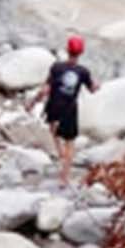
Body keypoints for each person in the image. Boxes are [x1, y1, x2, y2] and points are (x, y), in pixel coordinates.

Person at [35, 35, 97, 186]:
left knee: (52, 125)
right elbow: (92, 89)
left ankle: (59, 150)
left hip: (54, 104)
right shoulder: (83, 72)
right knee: (70, 142)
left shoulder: (56, 67)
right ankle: (64, 178)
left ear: (67, 50)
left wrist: (33, 101)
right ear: (81, 53)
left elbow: (46, 89)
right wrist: (97, 85)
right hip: (70, 109)